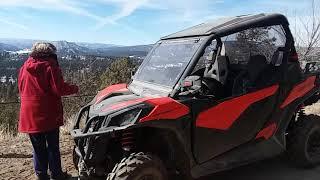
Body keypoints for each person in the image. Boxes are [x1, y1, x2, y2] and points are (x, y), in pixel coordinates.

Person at [18, 42, 79, 180]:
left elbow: (21, 88)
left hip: (29, 113)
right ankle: (56, 175)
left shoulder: (24, 67)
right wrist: (75, 89)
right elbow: (59, 89)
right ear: (50, 53)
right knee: (52, 146)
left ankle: (41, 175)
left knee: (38, 148)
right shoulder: (50, 65)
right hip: (48, 113)